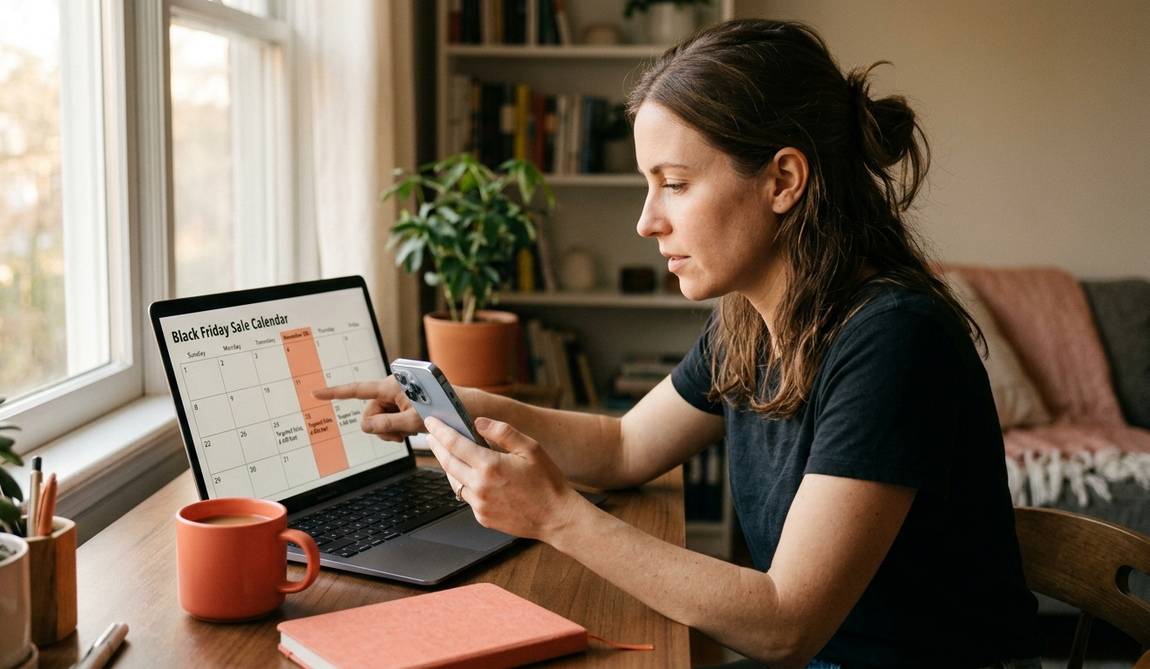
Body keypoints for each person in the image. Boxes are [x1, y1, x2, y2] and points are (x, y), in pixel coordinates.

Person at [314, 19, 1045, 669]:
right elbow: (624, 445)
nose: (646, 220)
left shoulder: (892, 340)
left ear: (784, 179)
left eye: (674, 184)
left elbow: (788, 621)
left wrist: (558, 515)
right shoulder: (751, 319)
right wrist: (463, 409)